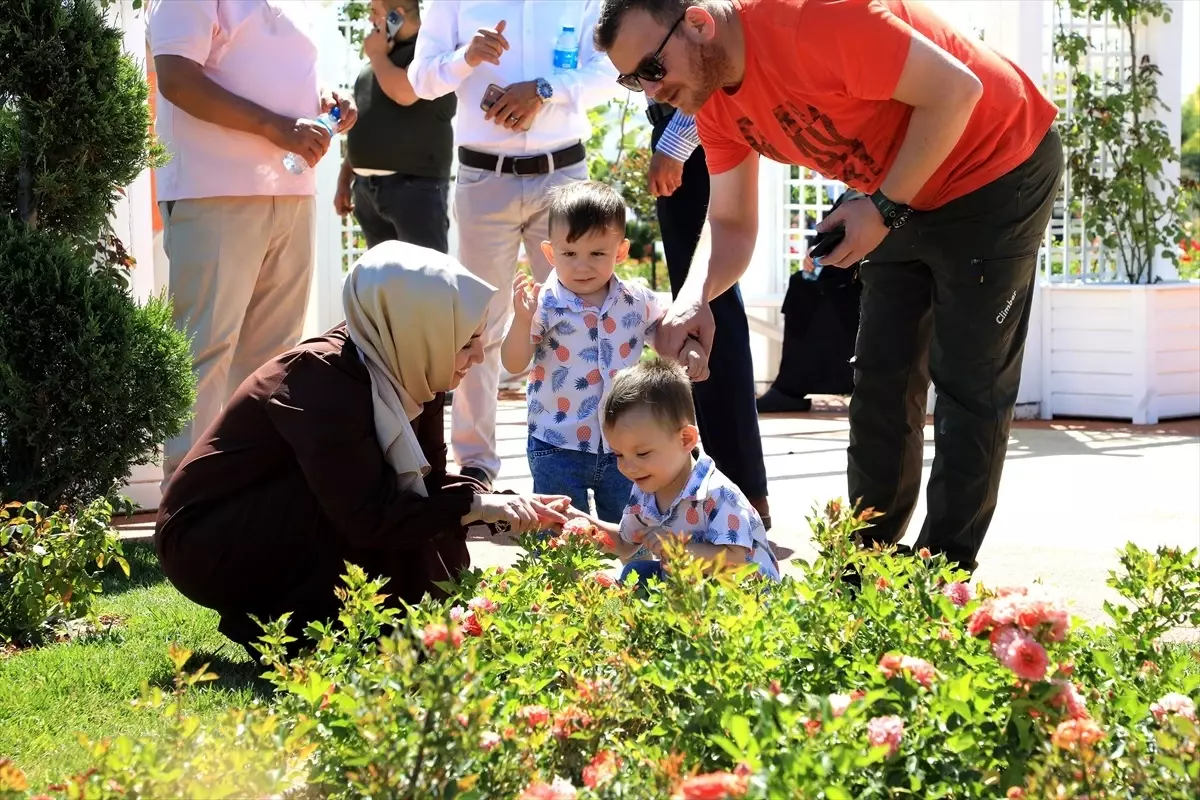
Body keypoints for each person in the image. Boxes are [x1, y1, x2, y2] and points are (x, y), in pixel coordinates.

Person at [594, 0, 1064, 573]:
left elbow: (956, 91)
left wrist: (886, 206)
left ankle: (941, 576)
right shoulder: (711, 97)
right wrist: (694, 299)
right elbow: (732, 225)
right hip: (893, 190)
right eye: (631, 80)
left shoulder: (815, 17)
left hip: (993, 166)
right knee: (880, 383)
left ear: (697, 21)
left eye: (651, 67)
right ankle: (867, 568)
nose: (649, 89)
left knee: (970, 384)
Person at [154, 242, 569, 654]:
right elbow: (367, 515)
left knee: (408, 513)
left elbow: (428, 486)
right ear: (419, 330)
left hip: (293, 516)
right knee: (374, 512)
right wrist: (475, 507)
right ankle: (306, 634)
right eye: (466, 342)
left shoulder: (412, 363)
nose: (479, 356)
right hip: (205, 541)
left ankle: (398, 632)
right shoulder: (321, 379)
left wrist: (508, 507)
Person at [408, 1, 620, 489]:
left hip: (564, 176)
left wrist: (544, 91)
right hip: (484, 178)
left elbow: (610, 69)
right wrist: (466, 57)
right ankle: (475, 464)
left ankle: (578, 454)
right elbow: (421, 80)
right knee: (477, 322)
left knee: (577, 315)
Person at [147, 0, 358, 485]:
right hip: (213, 191)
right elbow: (177, 76)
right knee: (204, 349)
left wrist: (327, 101)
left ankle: (252, 494)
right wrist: (277, 127)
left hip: (291, 190)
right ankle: (187, 503)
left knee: (274, 358)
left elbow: (281, 73)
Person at [500, 181, 674, 524]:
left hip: (625, 446)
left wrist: (691, 351)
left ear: (620, 252)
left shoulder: (636, 301)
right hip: (556, 443)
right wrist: (522, 322)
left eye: (597, 254)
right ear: (551, 253)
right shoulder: (543, 303)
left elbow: (668, 335)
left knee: (633, 534)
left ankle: (634, 579)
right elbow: (513, 362)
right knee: (559, 537)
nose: (582, 267)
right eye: (569, 254)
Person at [644, 98, 771, 527]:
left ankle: (741, 492)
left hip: (692, 139)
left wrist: (675, 143)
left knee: (708, 312)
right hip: (684, 137)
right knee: (702, 309)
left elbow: (703, 74)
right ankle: (737, 486)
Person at [565, 359, 780, 585]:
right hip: (691, 588)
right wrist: (579, 521)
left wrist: (678, 549)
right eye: (619, 455)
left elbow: (736, 561)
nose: (628, 467)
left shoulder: (718, 495)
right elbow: (626, 543)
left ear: (686, 439)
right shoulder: (645, 489)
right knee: (634, 572)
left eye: (643, 453)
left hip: (742, 597)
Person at [334, 0, 456, 253]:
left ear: (396, 15)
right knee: (385, 285)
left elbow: (405, 93)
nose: (370, 21)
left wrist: (377, 55)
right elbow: (366, 121)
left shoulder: (428, 52)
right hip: (367, 191)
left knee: (424, 280)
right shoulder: (379, 63)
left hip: (415, 189)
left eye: (375, 13)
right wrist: (345, 179)